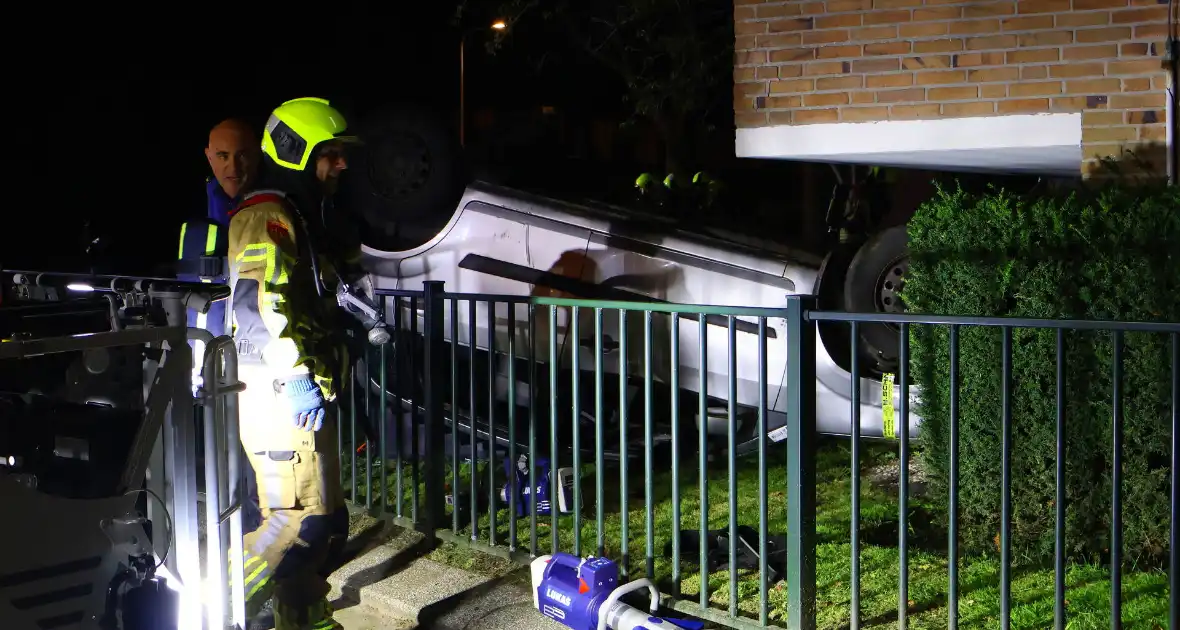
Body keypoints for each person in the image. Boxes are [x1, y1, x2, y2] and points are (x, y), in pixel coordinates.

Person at [227, 97, 358, 630]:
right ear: (297, 152)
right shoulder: (269, 215)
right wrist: (300, 377)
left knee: (321, 524)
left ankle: (302, 620)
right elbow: (260, 304)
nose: (341, 165)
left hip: (292, 392)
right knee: (295, 526)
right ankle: (203, 593)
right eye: (330, 154)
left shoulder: (295, 213)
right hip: (281, 393)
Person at [176, 118, 264, 534]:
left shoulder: (274, 208)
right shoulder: (195, 215)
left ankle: (262, 542)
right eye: (223, 155)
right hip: (212, 360)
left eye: (242, 154)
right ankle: (236, 543)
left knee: (265, 468)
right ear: (209, 156)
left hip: (261, 363)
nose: (233, 165)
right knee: (222, 460)